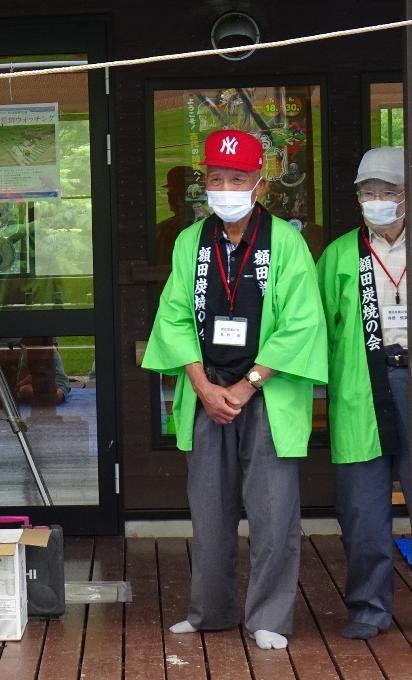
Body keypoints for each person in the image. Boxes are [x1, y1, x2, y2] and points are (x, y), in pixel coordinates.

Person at [142, 129, 327, 650]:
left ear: (259, 183)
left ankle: (269, 615)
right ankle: (210, 611)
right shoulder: (189, 241)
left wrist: (246, 387)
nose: (225, 187)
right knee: (209, 508)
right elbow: (174, 317)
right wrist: (202, 386)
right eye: (217, 178)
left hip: (265, 391)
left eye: (237, 179)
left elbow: (302, 324)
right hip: (208, 393)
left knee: (272, 511)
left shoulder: (286, 243)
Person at [317, 146, 409, 640]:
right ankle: (369, 608)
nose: (377, 200)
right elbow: (316, 331)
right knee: (362, 508)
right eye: (367, 192)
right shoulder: (338, 255)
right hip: (359, 391)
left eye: (388, 191)